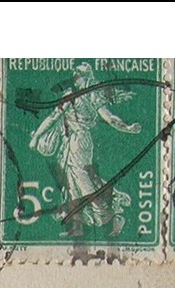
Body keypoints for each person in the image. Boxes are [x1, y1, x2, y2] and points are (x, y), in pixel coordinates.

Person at [29, 61, 141, 237]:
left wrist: (127, 128)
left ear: (86, 77)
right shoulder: (73, 95)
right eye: (75, 75)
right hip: (70, 142)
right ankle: (77, 225)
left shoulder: (89, 96)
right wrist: (36, 136)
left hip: (79, 142)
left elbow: (109, 117)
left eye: (79, 75)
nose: (76, 78)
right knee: (71, 184)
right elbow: (53, 117)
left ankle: (112, 216)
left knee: (83, 183)